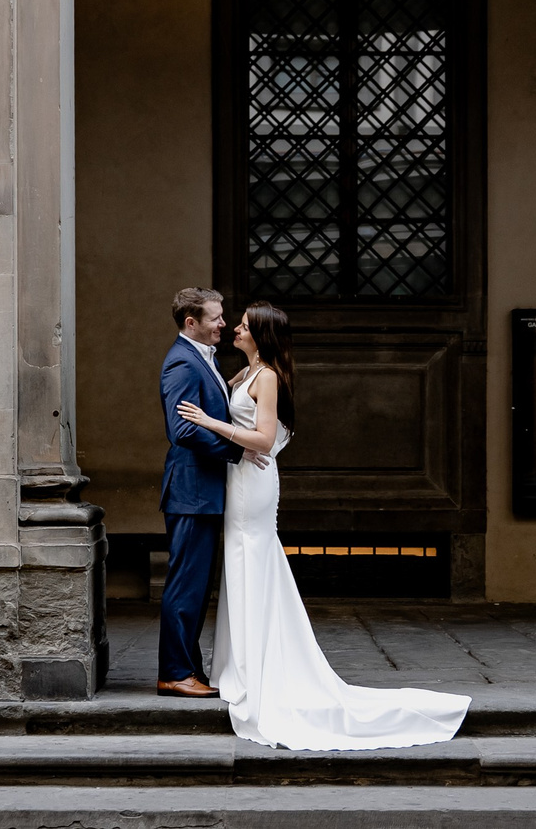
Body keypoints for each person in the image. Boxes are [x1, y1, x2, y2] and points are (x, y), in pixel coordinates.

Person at [174, 301, 471, 750]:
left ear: (262, 335)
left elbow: (266, 439)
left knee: (251, 557)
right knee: (239, 564)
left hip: (252, 482)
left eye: (244, 326)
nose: (235, 328)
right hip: (238, 479)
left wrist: (213, 422)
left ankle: (258, 669)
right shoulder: (245, 372)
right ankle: (241, 666)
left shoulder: (268, 375)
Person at [157, 286, 243, 697]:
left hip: (201, 492)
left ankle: (187, 669)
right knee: (186, 585)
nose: (223, 324)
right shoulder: (182, 364)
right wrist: (236, 449)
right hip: (191, 492)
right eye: (215, 318)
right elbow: (184, 429)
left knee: (195, 584)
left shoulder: (201, 360)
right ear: (191, 322)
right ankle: (175, 672)